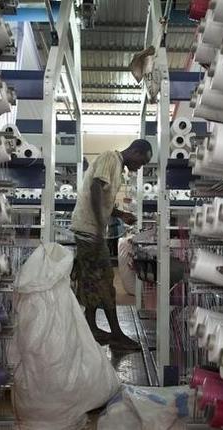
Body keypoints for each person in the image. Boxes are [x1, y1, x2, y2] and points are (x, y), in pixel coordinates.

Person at [71, 139, 152, 349]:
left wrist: (121, 214)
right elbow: (96, 188)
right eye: (141, 161)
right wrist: (99, 226)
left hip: (89, 229)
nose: (139, 167)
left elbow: (102, 197)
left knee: (90, 279)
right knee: (106, 279)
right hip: (90, 230)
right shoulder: (110, 158)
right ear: (135, 151)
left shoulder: (117, 166)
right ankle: (116, 334)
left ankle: (91, 328)